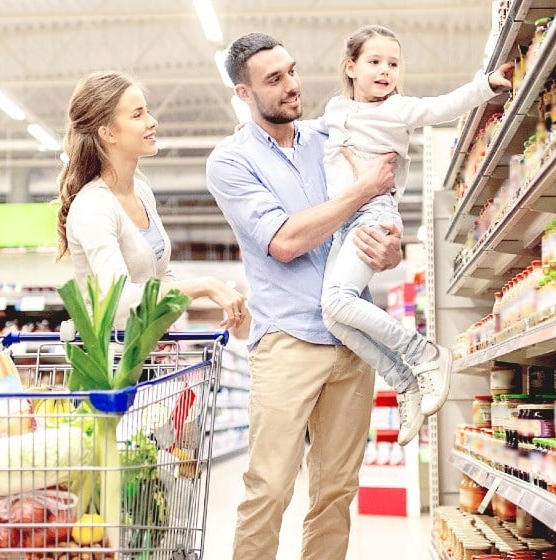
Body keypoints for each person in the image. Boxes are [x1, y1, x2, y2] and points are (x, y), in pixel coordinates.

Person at [206, 33, 401, 560]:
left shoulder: (330, 137)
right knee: (268, 489)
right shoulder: (230, 162)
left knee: (335, 492)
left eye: (291, 71)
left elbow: (383, 229)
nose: (292, 86)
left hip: (353, 342)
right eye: (274, 79)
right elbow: (286, 241)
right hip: (288, 342)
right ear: (244, 95)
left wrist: (390, 249)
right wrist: (360, 190)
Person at [320, 24, 515, 445]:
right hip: (343, 218)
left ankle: (423, 354)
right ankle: (403, 383)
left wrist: (486, 85)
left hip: (373, 212)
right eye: (374, 62)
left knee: (338, 299)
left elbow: (442, 107)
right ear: (350, 67)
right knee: (332, 316)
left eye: (392, 63)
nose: (385, 71)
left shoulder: (397, 110)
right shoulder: (335, 110)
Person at [55, 71, 247, 329]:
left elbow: (160, 277)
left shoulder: (142, 192)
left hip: (148, 357)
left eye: (147, 111)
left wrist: (164, 328)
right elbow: (119, 299)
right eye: (138, 115)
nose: (152, 121)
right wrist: (204, 286)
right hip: (109, 362)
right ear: (108, 133)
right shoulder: (94, 207)